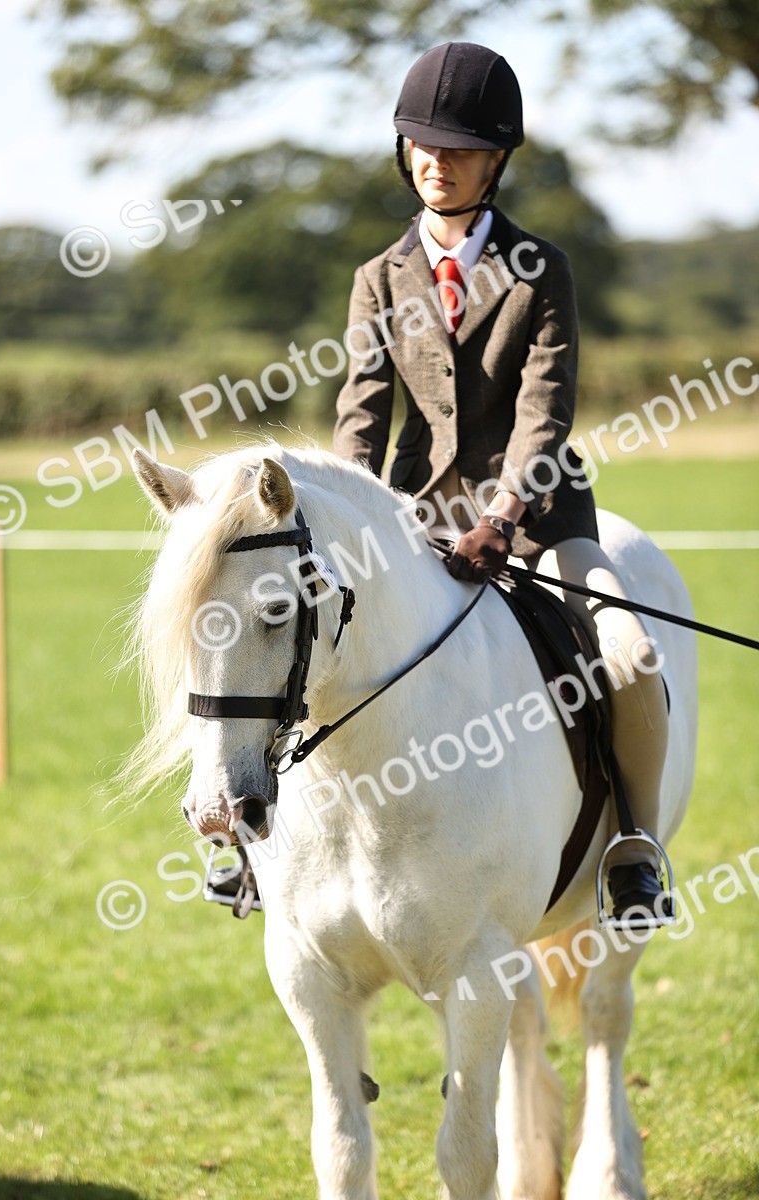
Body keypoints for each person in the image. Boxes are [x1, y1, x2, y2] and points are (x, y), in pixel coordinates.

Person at [332, 41, 674, 926]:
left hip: (537, 522)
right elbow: (362, 416)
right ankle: (262, 848)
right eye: (422, 145)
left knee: (631, 657)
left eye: (459, 150)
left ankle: (634, 846)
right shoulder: (378, 279)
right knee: (307, 646)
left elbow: (544, 408)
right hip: (413, 520)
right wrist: (345, 515)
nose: (436, 164)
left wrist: (503, 512)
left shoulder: (541, 268)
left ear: (498, 160)